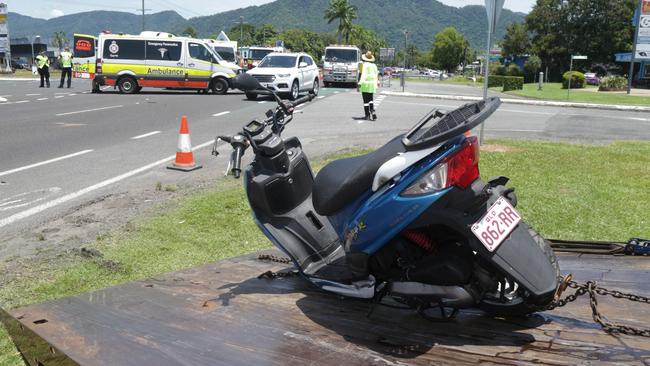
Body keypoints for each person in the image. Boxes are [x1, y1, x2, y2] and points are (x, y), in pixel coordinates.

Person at [358, 51, 379, 121]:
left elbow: (362, 74)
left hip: (365, 84)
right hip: (372, 84)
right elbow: (376, 75)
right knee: (370, 98)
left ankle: (367, 115)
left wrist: (359, 83)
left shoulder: (363, 65)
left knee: (365, 100)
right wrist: (376, 83)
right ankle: (372, 110)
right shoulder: (374, 66)